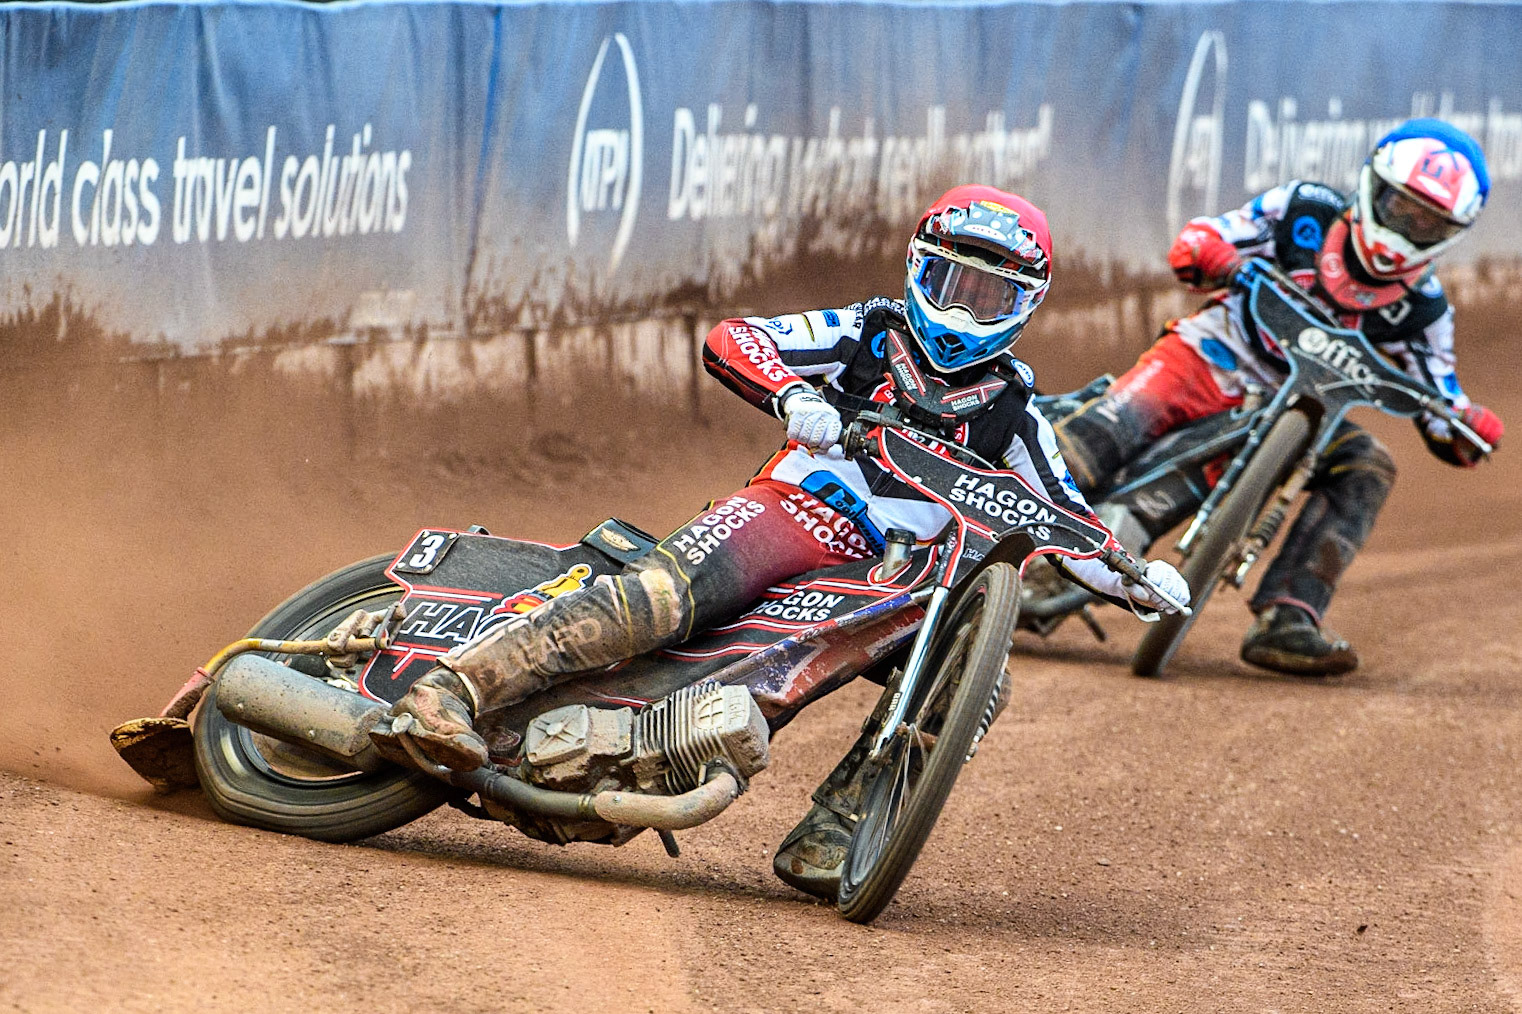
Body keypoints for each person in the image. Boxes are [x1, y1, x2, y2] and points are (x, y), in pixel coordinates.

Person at [373, 184, 1190, 899]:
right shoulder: (870, 330)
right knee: (663, 600)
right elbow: (736, 336)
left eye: (991, 296)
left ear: (1025, 307)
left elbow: (1068, 521)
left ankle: (836, 833)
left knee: (978, 681)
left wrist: (1139, 578)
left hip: (894, 579)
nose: (965, 309)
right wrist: (795, 395)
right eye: (951, 284)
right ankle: (450, 691)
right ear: (918, 269)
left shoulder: (1017, 411)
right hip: (802, 508)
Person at [1053, 119, 1503, 677]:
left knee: (1368, 464)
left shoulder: (1425, 311)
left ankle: (1289, 615)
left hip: (1305, 413)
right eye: (1401, 207)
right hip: (1211, 354)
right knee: (1095, 440)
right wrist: (1211, 254)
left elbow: (1445, 406)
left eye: (1429, 223)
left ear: (1452, 234)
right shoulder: (1302, 210)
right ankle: (993, 512)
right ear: (1371, 185)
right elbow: (1199, 241)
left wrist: (1468, 426)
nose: (1408, 228)